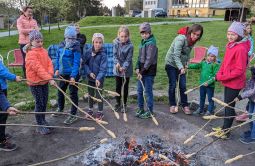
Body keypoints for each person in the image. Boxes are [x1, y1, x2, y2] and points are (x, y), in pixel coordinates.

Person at [214, 21, 250, 139]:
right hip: (228, 80)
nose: (230, 36)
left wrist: (222, 77)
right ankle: (225, 127)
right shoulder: (230, 45)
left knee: (229, 106)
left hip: (235, 83)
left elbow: (239, 70)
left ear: (239, 35)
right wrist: (219, 73)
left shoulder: (240, 49)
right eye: (228, 33)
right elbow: (224, 63)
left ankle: (226, 132)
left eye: (233, 34)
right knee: (226, 105)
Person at [165, 24, 203, 114]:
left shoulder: (192, 41)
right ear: (190, 32)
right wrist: (181, 67)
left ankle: (185, 105)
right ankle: (172, 104)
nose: (195, 37)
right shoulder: (181, 39)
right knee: (173, 85)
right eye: (194, 34)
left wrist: (186, 64)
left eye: (198, 35)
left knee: (183, 85)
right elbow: (175, 55)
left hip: (181, 65)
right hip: (171, 63)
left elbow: (187, 53)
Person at [25, 30, 56, 135]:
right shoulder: (30, 54)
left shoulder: (44, 51)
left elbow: (49, 63)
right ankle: (39, 125)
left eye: (41, 41)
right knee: (39, 103)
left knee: (44, 102)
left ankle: (43, 121)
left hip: (44, 81)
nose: (40, 43)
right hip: (35, 83)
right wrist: (49, 78)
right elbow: (38, 68)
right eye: (37, 41)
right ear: (31, 42)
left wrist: (50, 75)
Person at [54, 26, 81, 125]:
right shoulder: (61, 45)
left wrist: (73, 76)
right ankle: (60, 108)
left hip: (73, 74)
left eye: (73, 38)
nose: (71, 40)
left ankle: (73, 114)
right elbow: (57, 58)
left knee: (73, 94)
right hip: (62, 74)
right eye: (69, 38)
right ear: (65, 37)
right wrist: (57, 69)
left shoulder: (76, 47)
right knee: (60, 91)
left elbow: (76, 63)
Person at [81, 33, 107, 120]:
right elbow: (85, 64)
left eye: (100, 42)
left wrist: (98, 78)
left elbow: (103, 68)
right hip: (90, 78)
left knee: (99, 95)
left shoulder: (103, 54)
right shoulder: (88, 52)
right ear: (93, 42)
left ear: (102, 43)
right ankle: (90, 110)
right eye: (96, 42)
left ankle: (100, 112)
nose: (98, 44)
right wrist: (89, 72)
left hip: (99, 80)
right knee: (90, 94)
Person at [188, 45, 220, 116]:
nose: (210, 58)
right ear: (207, 55)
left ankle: (209, 110)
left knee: (210, 99)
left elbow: (216, 76)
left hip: (210, 86)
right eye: (209, 56)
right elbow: (197, 66)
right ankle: (200, 109)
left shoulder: (215, 65)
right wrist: (189, 66)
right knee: (202, 97)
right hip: (202, 84)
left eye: (212, 56)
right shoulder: (203, 62)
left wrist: (209, 82)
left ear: (215, 57)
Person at [135, 22, 158, 119]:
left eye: (146, 33)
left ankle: (150, 111)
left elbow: (149, 60)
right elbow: (139, 57)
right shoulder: (142, 42)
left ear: (149, 32)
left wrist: (141, 71)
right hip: (141, 70)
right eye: (142, 33)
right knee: (139, 90)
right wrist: (136, 67)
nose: (144, 35)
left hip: (148, 72)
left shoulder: (151, 43)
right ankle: (141, 108)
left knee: (148, 92)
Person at [236, 22, 254, 122]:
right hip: (242, 59)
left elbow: (251, 48)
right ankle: (248, 112)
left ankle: (248, 113)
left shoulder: (250, 39)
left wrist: (248, 53)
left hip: (246, 58)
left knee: (252, 89)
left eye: (250, 28)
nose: (249, 29)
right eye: (247, 28)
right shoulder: (241, 38)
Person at [113, 26, 133, 112]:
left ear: (128, 36)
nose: (123, 38)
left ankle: (124, 104)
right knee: (118, 87)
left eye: (125, 36)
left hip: (126, 70)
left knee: (125, 87)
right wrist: (117, 63)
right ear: (118, 35)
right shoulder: (115, 43)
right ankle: (118, 103)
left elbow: (128, 59)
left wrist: (123, 67)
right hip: (117, 69)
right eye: (122, 36)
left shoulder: (130, 46)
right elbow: (114, 55)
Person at [17, 6, 39, 78]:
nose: (30, 13)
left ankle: (34, 74)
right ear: (24, 11)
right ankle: (27, 76)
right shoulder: (20, 20)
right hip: (23, 43)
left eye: (31, 12)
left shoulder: (34, 21)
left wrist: (29, 31)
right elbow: (21, 31)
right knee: (26, 60)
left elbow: (37, 30)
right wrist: (32, 30)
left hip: (33, 43)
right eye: (28, 11)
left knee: (34, 59)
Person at [235, 67, 255, 144]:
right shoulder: (252, 77)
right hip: (252, 100)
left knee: (254, 119)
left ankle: (253, 137)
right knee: (250, 116)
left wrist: (241, 96)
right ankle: (252, 131)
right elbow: (248, 87)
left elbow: (252, 91)